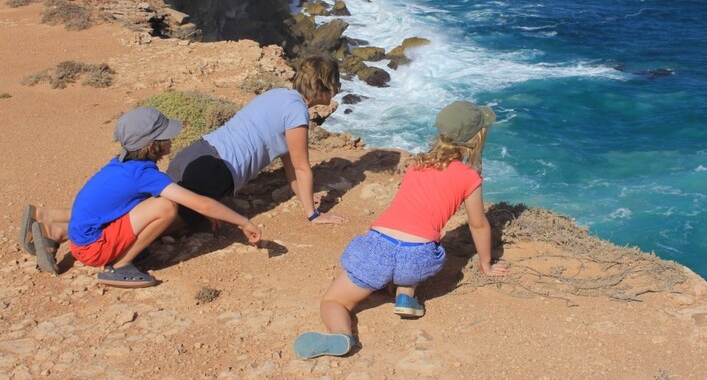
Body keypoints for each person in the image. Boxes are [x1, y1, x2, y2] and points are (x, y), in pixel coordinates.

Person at [293, 101, 511, 359]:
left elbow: (404, 208)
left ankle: (342, 335)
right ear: (476, 140)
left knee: (334, 302)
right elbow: (478, 224)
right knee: (421, 246)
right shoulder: (469, 177)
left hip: (379, 247)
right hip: (418, 258)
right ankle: (406, 294)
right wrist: (485, 264)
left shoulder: (417, 165)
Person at [19, 107, 261, 287]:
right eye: (166, 137)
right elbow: (200, 202)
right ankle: (121, 264)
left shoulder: (122, 165)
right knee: (166, 208)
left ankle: (54, 228)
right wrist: (243, 221)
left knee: (153, 202)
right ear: (153, 145)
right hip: (93, 249)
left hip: (84, 236)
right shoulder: (144, 175)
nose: (171, 140)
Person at [166, 55, 345, 229]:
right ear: (323, 86)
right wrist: (313, 215)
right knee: (167, 222)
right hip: (218, 170)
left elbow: (290, 165)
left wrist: (305, 197)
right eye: (336, 84)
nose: (337, 88)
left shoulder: (278, 94)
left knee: (151, 205)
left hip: (197, 152)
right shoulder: (297, 111)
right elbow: (301, 167)